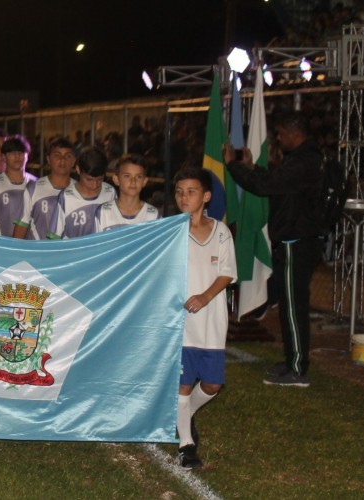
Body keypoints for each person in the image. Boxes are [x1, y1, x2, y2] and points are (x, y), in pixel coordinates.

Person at [224, 112, 322, 387]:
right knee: (290, 305)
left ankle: (298, 369)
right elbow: (276, 182)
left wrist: (234, 167)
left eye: (280, 134)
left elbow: (265, 187)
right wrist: (253, 168)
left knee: (293, 307)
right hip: (296, 240)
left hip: (296, 242)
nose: (278, 139)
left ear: (293, 133)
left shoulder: (304, 161)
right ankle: (293, 360)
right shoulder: (305, 159)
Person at [173, 167, 237, 470]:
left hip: (211, 321)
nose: (184, 197)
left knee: (212, 385)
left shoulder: (221, 231)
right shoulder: (170, 231)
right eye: (179, 191)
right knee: (182, 386)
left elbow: (227, 273)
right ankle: (186, 445)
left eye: (191, 191)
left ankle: (185, 414)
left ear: (206, 196)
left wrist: (204, 297)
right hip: (181, 324)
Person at [13, 138, 78, 240]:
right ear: (48, 159)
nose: (62, 159)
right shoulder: (33, 188)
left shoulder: (80, 190)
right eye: (57, 155)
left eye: (68, 156)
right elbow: (21, 225)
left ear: (74, 161)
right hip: (37, 254)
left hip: (67, 254)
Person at [47, 146, 117, 239]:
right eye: (89, 179)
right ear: (78, 169)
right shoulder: (66, 197)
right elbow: (54, 237)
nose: (94, 185)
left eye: (100, 179)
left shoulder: (110, 192)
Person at [0, 135, 37, 236]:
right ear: (4, 156)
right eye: (12, 152)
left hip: (27, 248)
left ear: (27, 156)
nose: (17, 156)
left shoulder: (35, 184)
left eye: (21, 152)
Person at [95, 154, 158, 232]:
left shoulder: (153, 215)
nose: (133, 182)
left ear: (144, 181)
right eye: (127, 176)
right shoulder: (104, 212)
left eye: (139, 177)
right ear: (116, 179)